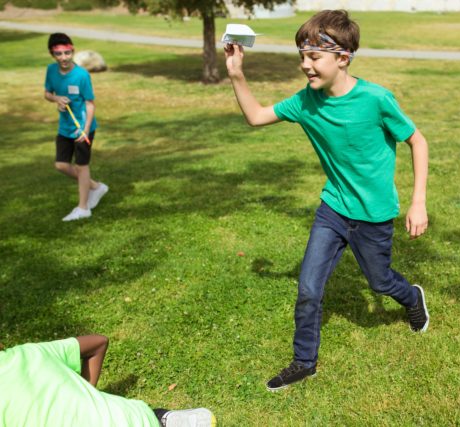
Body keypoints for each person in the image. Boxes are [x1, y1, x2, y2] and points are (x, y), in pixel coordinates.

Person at [224, 9, 430, 391]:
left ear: (343, 57)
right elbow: (255, 116)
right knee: (308, 288)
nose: (305, 65)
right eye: (302, 56)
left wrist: (418, 202)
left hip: (373, 215)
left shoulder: (376, 99)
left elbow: (417, 141)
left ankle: (411, 296)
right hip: (333, 209)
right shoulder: (306, 102)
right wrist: (237, 73)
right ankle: (304, 361)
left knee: (380, 282)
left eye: (314, 57)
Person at [0, 335, 214, 427]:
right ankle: (163, 419)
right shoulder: (29, 352)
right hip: (136, 418)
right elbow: (98, 343)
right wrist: (85, 391)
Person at [44, 33, 109, 221]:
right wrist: (56, 99)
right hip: (64, 127)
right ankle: (96, 187)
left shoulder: (82, 74)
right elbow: (47, 93)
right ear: (52, 54)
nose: (64, 58)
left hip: (83, 128)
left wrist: (86, 129)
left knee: (82, 166)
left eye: (67, 52)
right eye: (59, 54)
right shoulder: (51, 71)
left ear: (72, 50)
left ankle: (83, 208)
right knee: (61, 165)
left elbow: (90, 103)